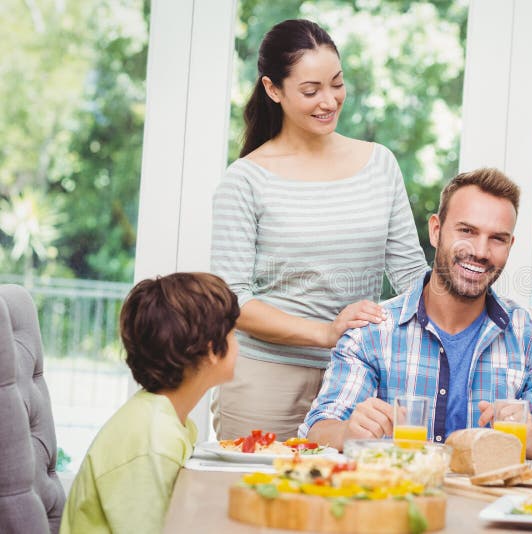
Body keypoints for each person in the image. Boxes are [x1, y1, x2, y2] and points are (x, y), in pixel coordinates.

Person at [210, 18, 429, 441]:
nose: (328, 101)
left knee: (349, 500)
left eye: (337, 84)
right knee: (256, 502)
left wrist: (511, 317)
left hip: (359, 378)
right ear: (274, 90)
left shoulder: (379, 164)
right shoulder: (245, 179)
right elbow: (232, 300)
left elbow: (411, 277)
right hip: (264, 381)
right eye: (310, 91)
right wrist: (325, 333)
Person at [301, 168, 532, 459]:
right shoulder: (371, 332)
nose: (480, 251)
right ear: (436, 231)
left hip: (491, 503)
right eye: (466, 231)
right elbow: (318, 430)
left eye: (497, 239)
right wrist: (346, 432)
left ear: (510, 246)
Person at [60, 273, 240, 534]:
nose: (238, 346)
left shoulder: (164, 419)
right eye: (234, 335)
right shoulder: (153, 438)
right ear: (212, 350)